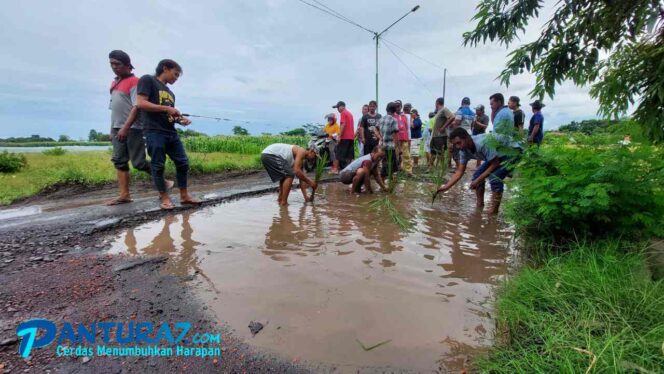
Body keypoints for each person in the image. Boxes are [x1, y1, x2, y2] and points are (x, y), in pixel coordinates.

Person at [136, 59, 201, 210]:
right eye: (175, 74)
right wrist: (167, 109)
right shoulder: (148, 80)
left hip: (170, 132)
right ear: (165, 68)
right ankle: (164, 197)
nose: (176, 78)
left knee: (183, 162)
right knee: (158, 165)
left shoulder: (170, 93)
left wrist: (179, 119)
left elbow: (169, 115)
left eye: (178, 76)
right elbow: (141, 103)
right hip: (154, 131)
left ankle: (184, 196)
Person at [106, 50, 159, 206]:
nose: (114, 67)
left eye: (118, 64)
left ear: (128, 65)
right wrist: (112, 130)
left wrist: (125, 127)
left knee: (139, 163)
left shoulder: (135, 82)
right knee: (119, 161)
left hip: (132, 127)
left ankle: (162, 180)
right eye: (112, 64)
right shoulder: (114, 83)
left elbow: (137, 106)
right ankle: (124, 195)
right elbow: (113, 109)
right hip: (117, 127)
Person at [436, 128, 522, 214]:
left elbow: (495, 163)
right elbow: (459, 171)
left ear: (467, 138)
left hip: (514, 150)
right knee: (477, 175)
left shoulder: (482, 143)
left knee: (495, 177)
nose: (458, 146)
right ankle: (480, 205)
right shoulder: (463, 151)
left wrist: (477, 181)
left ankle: (494, 211)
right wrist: (446, 187)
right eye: (455, 144)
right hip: (498, 155)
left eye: (459, 143)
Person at [450, 97, 476, 169]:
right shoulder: (473, 113)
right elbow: (473, 125)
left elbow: (457, 122)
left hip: (460, 134)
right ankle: (463, 167)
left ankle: (459, 168)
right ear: (469, 103)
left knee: (456, 151)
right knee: (465, 152)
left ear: (461, 103)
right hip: (468, 134)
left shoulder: (460, 111)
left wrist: (452, 124)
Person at [378, 102, 401, 179]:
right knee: (390, 165)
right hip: (390, 146)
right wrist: (398, 147)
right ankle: (383, 182)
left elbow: (375, 128)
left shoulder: (381, 119)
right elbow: (395, 135)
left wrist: (380, 137)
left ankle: (386, 181)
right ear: (394, 111)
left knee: (385, 163)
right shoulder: (393, 120)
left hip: (382, 146)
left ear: (386, 109)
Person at [430, 97, 455, 167]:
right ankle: (431, 167)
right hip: (435, 136)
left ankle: (442, 169)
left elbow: (452, 117)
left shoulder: (444, 109)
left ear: (437, 103)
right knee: (433, 152)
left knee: (440, 153)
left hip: (440, 136)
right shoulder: (438, 112)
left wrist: (443, 127)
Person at [334, 101, 355, 169]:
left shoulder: (343, 113)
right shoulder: (350, 114)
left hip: (345, 137)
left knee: (338, 153)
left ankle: (335, 169)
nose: (337, 109)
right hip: (351, 137)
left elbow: (343, 124)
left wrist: (339, 136)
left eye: (338, 107)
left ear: (342, 106)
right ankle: (348, 169)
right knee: (349, 155)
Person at [394, 100, 412, 175]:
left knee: (406, 155)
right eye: (396, 106)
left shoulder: (405, 116)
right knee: (395, 155)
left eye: (399, 106)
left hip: (404, 138)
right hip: (395, 139)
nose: (397, 107)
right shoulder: (392, 116)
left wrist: (409, 139)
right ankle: (395, 170)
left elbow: (408, 128)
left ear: (401, 106)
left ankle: (408, 171)